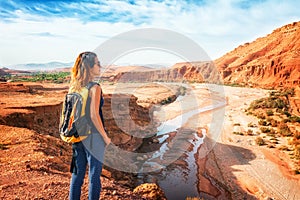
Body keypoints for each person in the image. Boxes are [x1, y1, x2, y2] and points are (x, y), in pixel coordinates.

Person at [68, 51, 111, 200]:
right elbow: (94, 115)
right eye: (97, 63)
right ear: (90, 67)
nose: (100, 66)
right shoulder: (95, 87)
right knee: (94, 177)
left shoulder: (75, 87)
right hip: (93, 137)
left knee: (77, 175)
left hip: (78, 135)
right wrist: (105, 137)